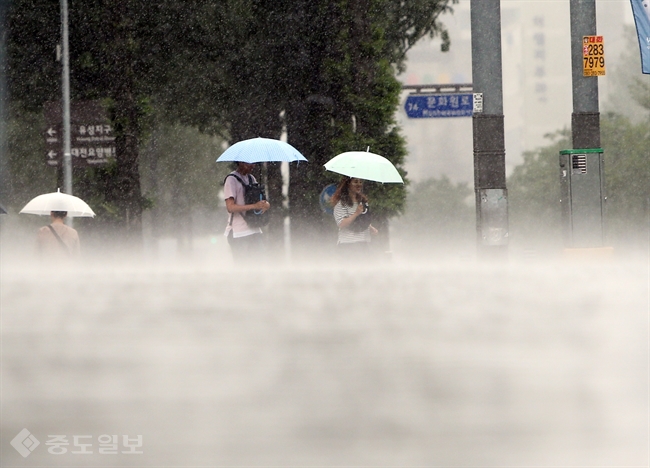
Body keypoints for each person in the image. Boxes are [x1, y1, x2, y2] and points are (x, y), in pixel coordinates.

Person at [223, 161, 270, 260]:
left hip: (254, 228)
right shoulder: (231, 180)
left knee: (259, 263)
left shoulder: (251, 178)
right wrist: (253, 206)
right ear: (240, 162)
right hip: (238, 232)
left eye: (253, 163)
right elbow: (230, 207)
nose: (252, 166)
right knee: (243, 266)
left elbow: (260, 201)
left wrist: (266, 205)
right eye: (249, 163)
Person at [331, 177, 378, 259]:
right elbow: (341, 223)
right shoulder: (341, 204)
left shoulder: (363, 202)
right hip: (348, 244)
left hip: (364, 243)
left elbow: (363, 219)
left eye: (360, 182)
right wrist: (356, 213)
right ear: (348, 184)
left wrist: (370, 227)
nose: (359, 184)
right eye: (355, 182)